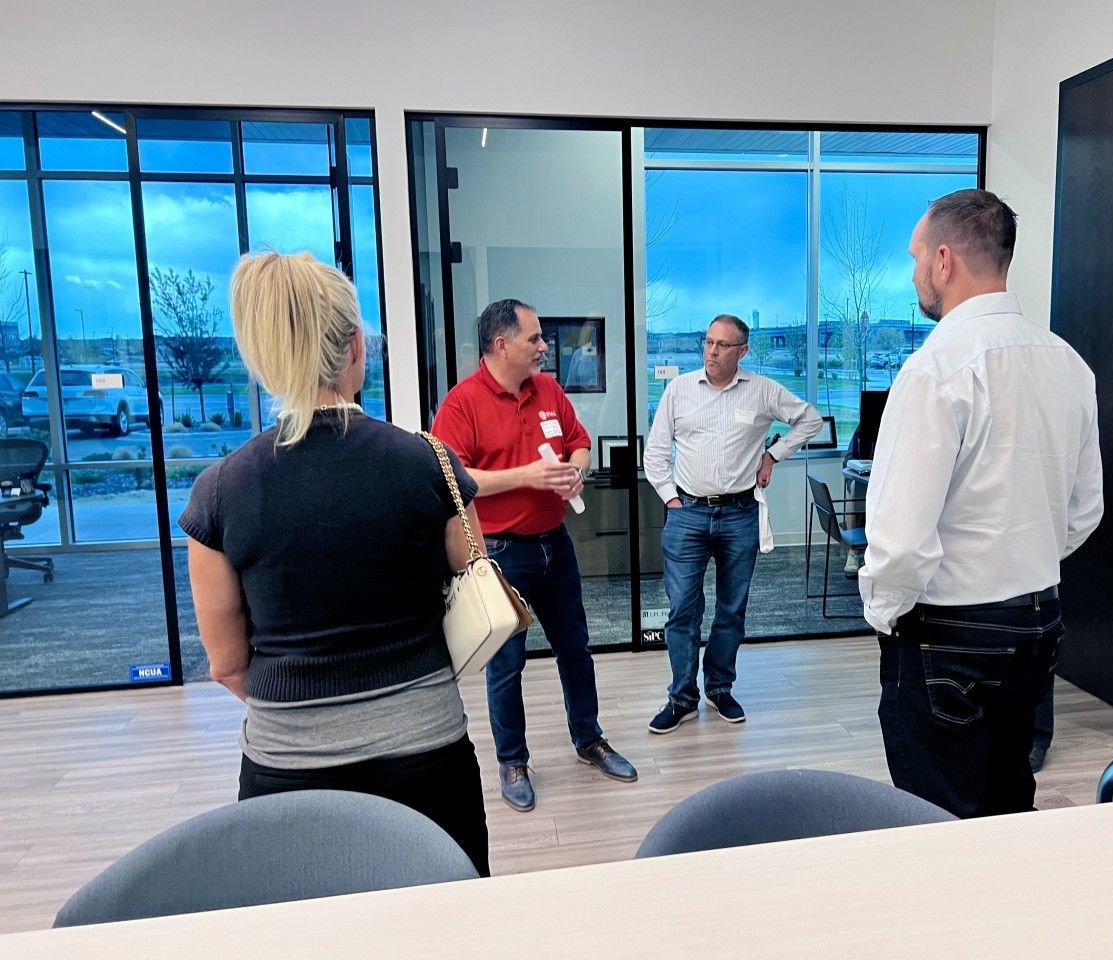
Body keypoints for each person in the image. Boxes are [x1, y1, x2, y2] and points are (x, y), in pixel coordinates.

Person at [178, 251, 489, 875]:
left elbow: (227, 664)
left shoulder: (220, 491)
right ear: (355, 348)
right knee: (448, 928)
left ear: (262, 358)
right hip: (426, 755)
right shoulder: (428, 462)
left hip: (287, 775)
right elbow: (474, 572)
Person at [859, 189, 1103, 819]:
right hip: (1037, 624)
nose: (914, 274)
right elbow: (1084, 512)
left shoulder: (935, 370)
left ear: (945, 261)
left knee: (938, 819)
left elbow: (901, 540)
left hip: (948, 637)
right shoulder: (1070, 364)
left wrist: (886, 616)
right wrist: (1022, 557)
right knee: (1009, 798)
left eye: (916, 259)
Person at [431, 298, 636, 813]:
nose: (545, 347)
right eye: (535, 338)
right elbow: (454, 481)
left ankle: (589, 740)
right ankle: (513, 761)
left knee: (576, 649)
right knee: (507, 666)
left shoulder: (549, 390)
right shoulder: (461, 405)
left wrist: (576, 469)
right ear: (501, 345)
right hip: (501, 554)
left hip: (555, 545)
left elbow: (579, 441)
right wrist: (529, 475)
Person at [644, 314, 822, 732]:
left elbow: (809, 419)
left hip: (740, 515)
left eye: (723, 345)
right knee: (683, 609)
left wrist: (773, 454)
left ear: (742, 351)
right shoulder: (679, 390)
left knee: (731, 610)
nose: (711, 351)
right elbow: (655, 453)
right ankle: (682, 697)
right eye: (708, 342)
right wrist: (671, 499)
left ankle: (719, 689)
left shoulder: (761, 391)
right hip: (686, 513)